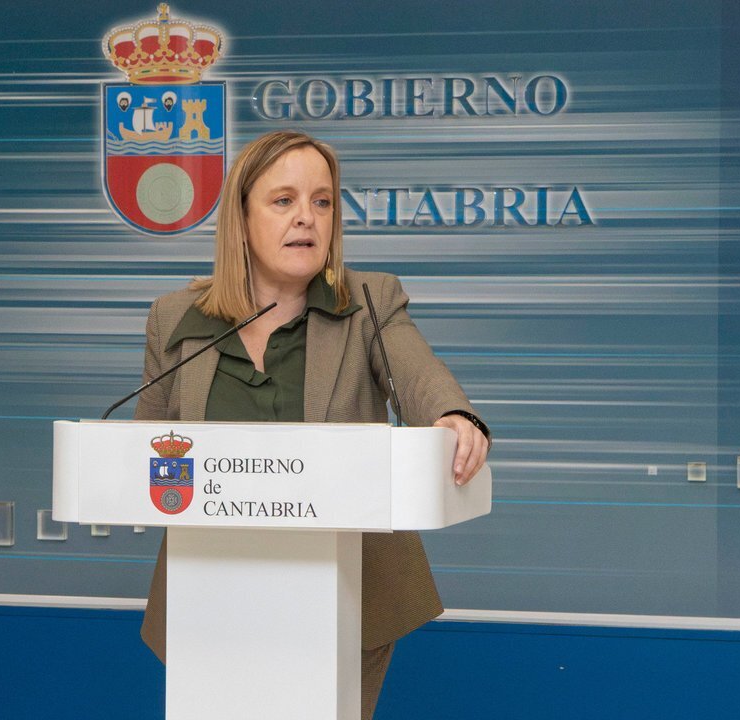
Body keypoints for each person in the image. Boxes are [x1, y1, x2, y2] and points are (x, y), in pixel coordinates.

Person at [133, 130, 490, 719]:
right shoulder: (174, 318)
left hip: (349, 595)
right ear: (240, 218)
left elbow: (420, 375)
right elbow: (137, 455)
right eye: (284, 200)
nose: (307, 217)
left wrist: (452, 414)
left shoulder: (369, 301)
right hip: (210, 603)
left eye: (322, 202)